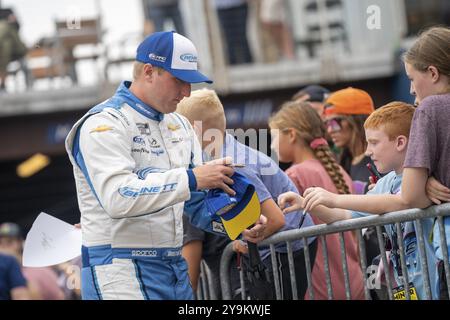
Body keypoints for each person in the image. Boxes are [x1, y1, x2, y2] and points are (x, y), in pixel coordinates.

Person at [65, 31, 237, 300]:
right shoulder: (104, 123)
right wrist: (192, 178)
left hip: (172, 267)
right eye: (179, 80)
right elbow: (117, 198)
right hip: (118, 270)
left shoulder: (179, 125)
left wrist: (239, 223)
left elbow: (195, 206)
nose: (187, 92)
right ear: (148, 72)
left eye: (190, 82)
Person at [301, 25, 450, 300]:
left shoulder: (431, 108)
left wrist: (418, 188)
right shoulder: (387, 180)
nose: (411, 88)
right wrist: (309, 203)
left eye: (412, 78)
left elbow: (407, 199)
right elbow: (347, 217)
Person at [280, 102, 441, 300]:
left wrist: (335, 198)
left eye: (374, 142)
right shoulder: (387, 182)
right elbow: (342, 217)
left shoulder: (424, 179)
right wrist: (308, 204)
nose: (368, 151)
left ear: (400, 142)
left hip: (437, 286)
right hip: (406, 288)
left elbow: (401, 202)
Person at [177, 88, 317, 300]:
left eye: (181, 128)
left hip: (286, 250)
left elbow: (276, 219)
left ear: (195, 130)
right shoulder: (224, 151)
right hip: (283, 247)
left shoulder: (234, 163)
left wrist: (245, 242)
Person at [269, 101, 365, 300]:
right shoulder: (337, 171)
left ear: (292, 135)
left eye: (274, 136)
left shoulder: (294, 175)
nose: (271, 145)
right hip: (353, 281)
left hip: (320, 285)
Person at [0, 222, 65, 300]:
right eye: (3, 243)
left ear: (20, 242)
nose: (15, 246)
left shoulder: (38, 269)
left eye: (16, 241)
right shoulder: (5, 268)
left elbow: (60, 295)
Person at [214, 0, 253, 65]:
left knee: (242, 37)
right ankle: (233, 64)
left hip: (239, 4)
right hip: (221, 6)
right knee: (229, 39)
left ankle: (248, 63)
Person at [0, 6, 27, 92]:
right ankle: (3, 82)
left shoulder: (7, 11)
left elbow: (17, 26)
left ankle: (3, 82)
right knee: (5, 45)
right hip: (7, 47)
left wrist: (12, 21)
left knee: (4, 26)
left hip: (14, 44)